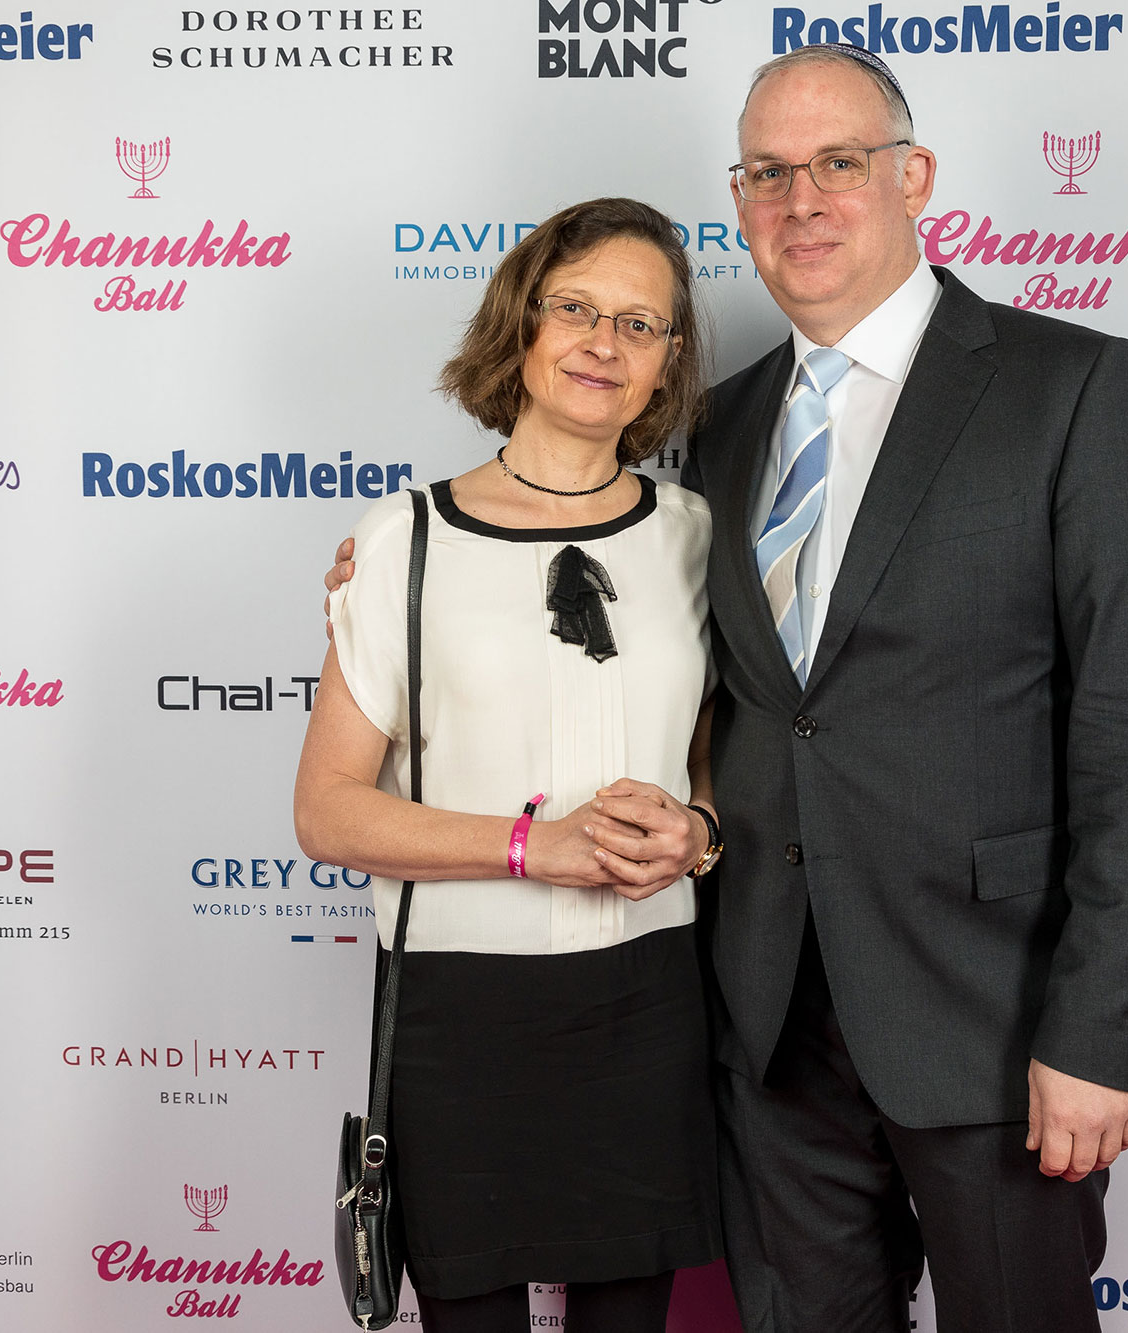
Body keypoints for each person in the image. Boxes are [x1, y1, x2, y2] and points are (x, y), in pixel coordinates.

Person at [327, 45, 1128, 1333]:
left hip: (990, 1023)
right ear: (737, 200)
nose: (802, 200)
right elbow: (726, 699)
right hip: (763, 1028)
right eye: (767, 173)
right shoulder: (721, 433)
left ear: (912, 177)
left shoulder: (1068, 386)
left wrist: (1102, 1034)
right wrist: (394, 573)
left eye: (838, 163)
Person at [293, 196, 725, 1333]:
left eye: (640, 324)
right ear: (522, 322)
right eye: (575, 309)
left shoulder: (695, 534)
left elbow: (727, 764)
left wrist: (700, 829)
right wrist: (536, 845)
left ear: (668, 359)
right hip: (462, 1011)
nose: (603, 344)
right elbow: (328, 811)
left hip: (650, 997)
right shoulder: (405, 539)